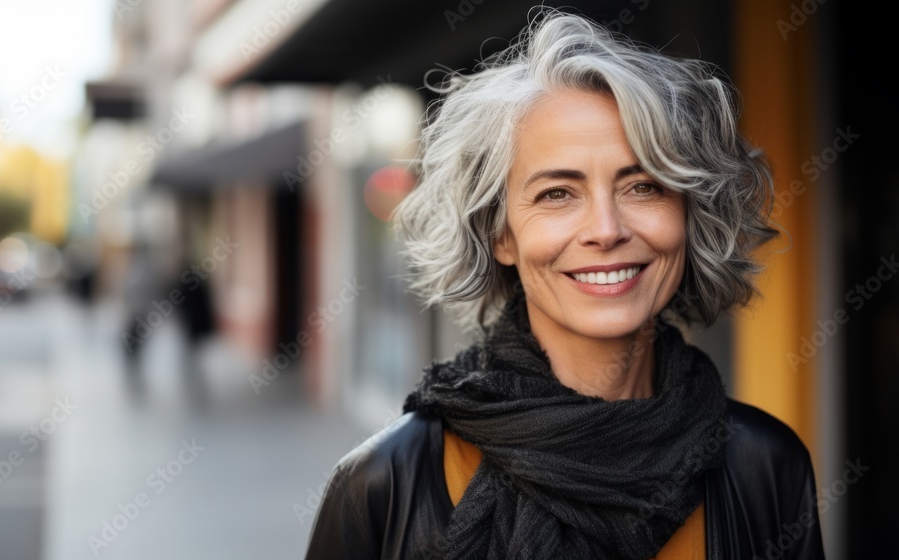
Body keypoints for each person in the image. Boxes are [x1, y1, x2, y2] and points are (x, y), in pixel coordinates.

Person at [305, 11, 824, 560]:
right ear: (500, 234)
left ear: (689, 214)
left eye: (644, 186)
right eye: (557, 193)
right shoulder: (384, 484)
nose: (606, 230)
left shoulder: (766, 465)